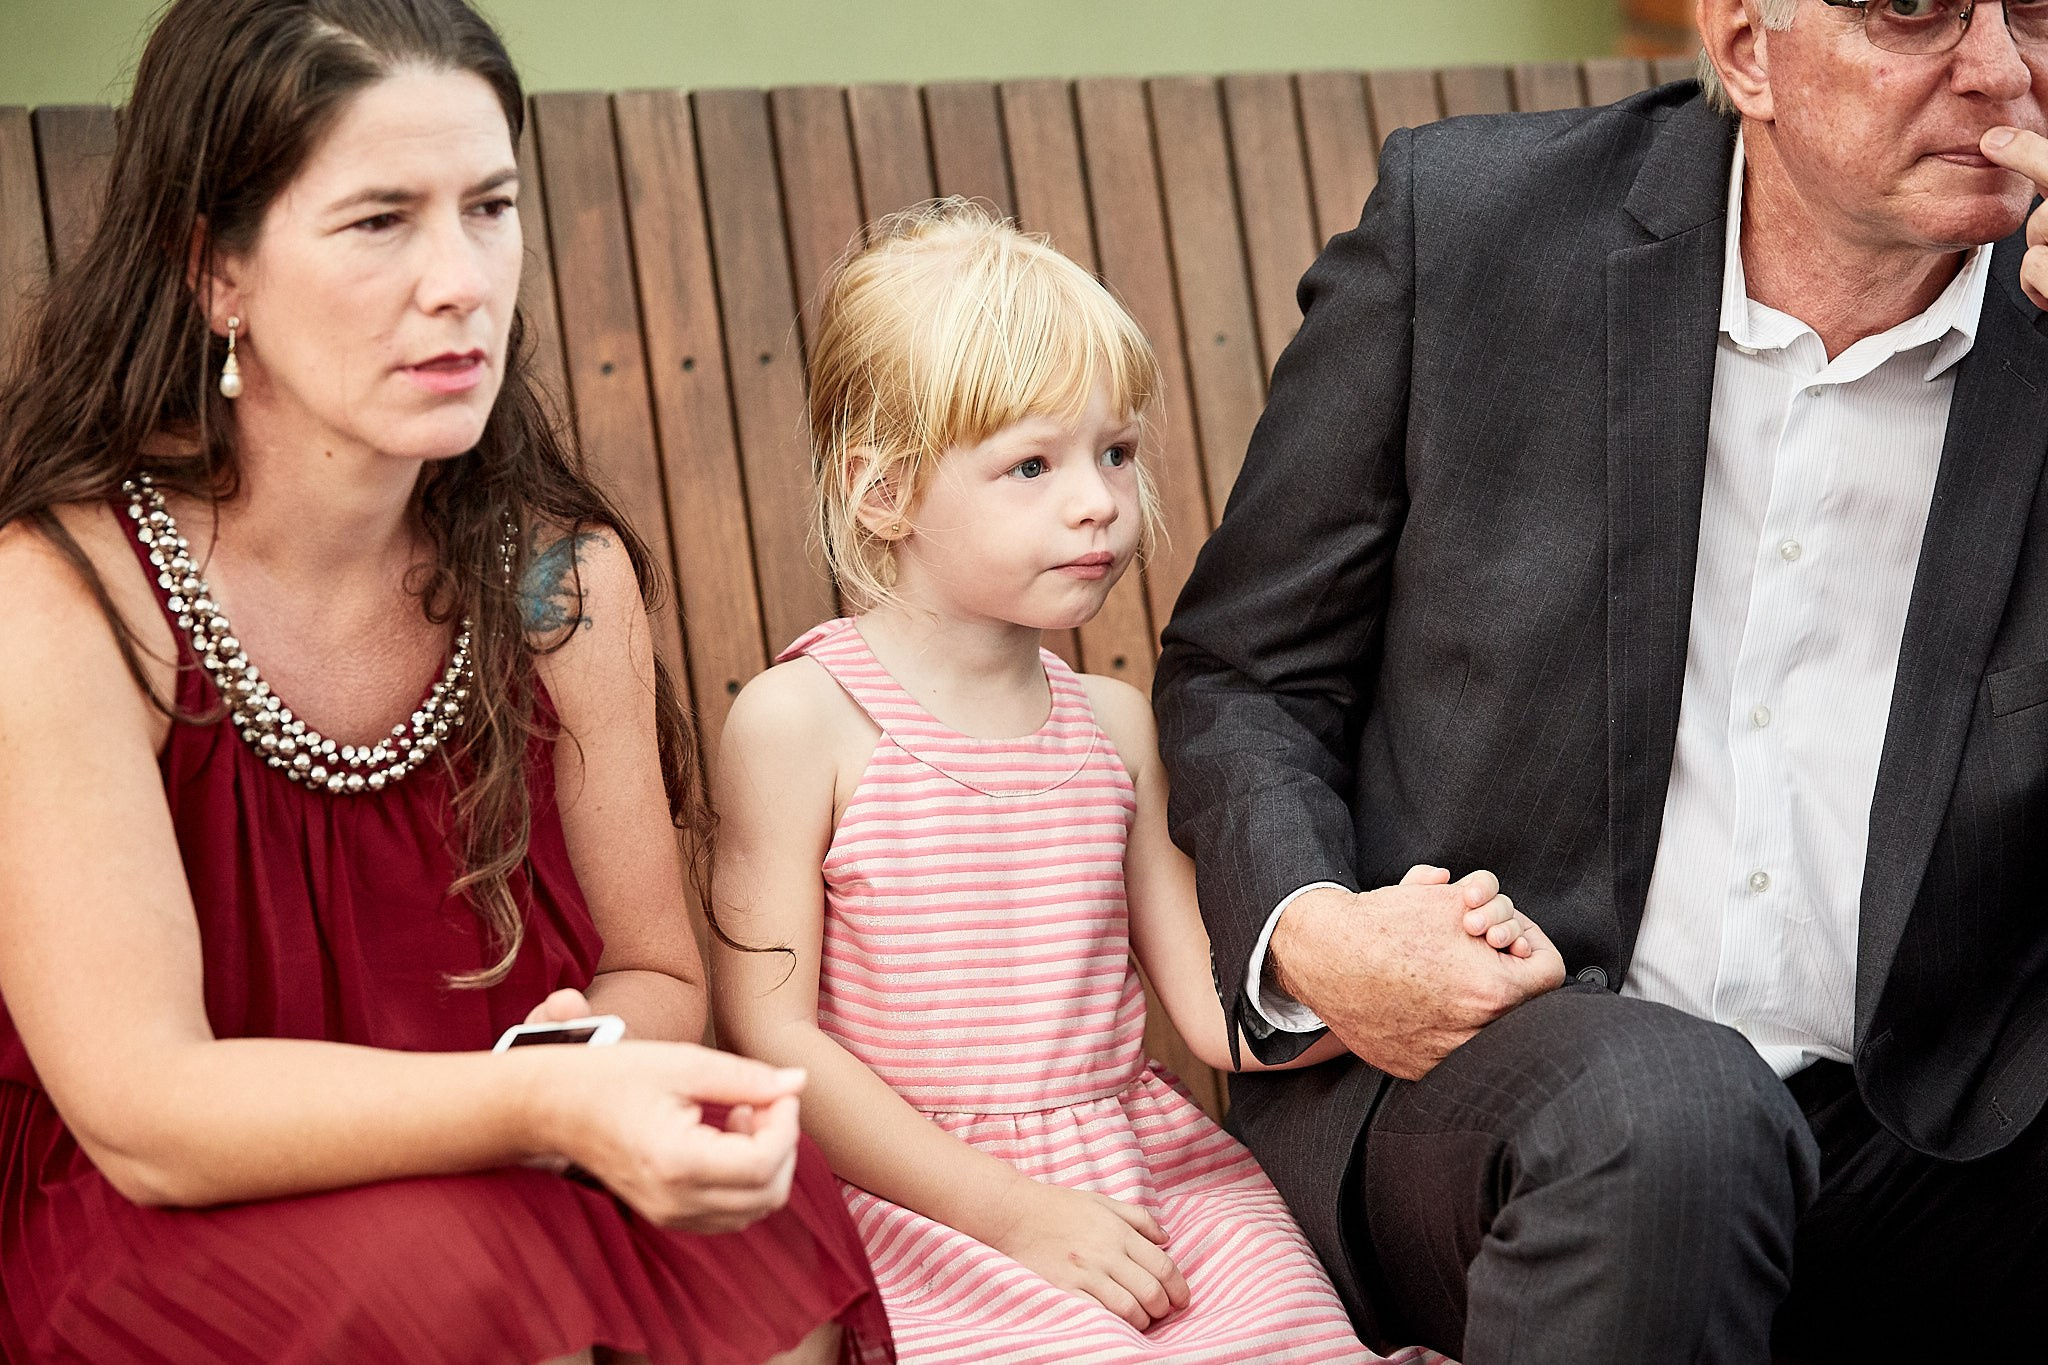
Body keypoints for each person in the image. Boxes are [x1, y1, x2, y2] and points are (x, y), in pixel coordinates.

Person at [1152, 0, 2048, 1360]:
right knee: (1673, 1123)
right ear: (1746, 44)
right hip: (1500, 1082)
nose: (2000, 67)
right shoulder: (1472, 231)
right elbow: (1248, 672)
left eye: (2036, 10)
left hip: (1927, 1119)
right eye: (1911, 9)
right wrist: (1317, 933)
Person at [0, 2, 893, 1362]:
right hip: (167, 1202)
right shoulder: (64, 595)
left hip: (506, 1153)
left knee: (760, 1223)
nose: (462, 279)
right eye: (380, 222)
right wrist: (534, 1114)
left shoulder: (555, 585)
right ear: (216, 274)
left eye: (489, 207)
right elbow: (145, 1110)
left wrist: (580, 1061)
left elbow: (655, 969)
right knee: (459, 1278)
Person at [706, 201, 1477, 1364]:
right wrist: (1012, 1213)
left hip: (1148, 1178)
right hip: (917, 1198)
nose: (1097, 503)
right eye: (1030, 463)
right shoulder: (800, 722)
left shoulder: (1112, 725)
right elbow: (772, 1039)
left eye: (1114, 451)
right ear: (883, 492)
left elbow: (1218, 1017)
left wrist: (1407, 963)